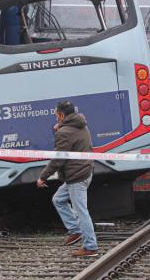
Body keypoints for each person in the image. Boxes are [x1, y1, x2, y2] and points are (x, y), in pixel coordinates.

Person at [37, 101, 98, 257]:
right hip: (84, 172)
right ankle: (76, 230)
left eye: (56, 114)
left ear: (62, 115)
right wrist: (60, 129)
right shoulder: (82, 124)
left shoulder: (64, 132)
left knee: (81, 211)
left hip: (76, 176)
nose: (56, 117)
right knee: (58, 199)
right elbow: (70, 142)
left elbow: (58, 158)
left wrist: (43, 177)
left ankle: (90, 246)